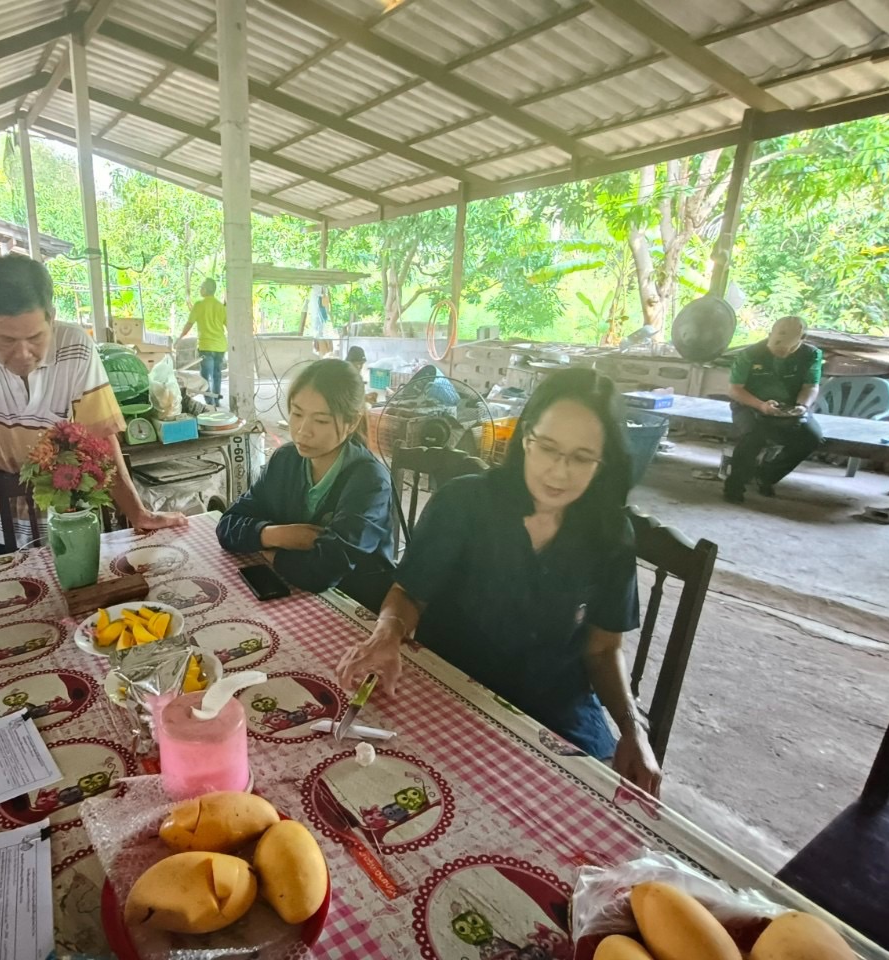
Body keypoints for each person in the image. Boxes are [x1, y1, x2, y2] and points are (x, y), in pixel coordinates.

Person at [337, 368, 662, 796]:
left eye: (582, 457)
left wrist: (631, 726)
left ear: (605, 463)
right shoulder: (464, 504)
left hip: (556, 713)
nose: (559, 472)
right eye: (547, 447)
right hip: (455, 693)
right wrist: (387, 633)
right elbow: (409, 593)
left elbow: (603, 648)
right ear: (526, 437)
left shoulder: (610, 533)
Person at [0, 254, 184, 576]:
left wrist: (137, 512)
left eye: (36, 337)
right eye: (7, 340)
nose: (23, 353)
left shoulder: (77, 347)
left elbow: (99, 437)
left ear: (51, 317)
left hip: (68, 511)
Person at [217, 359, 396, 612]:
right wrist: (277, 535)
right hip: (293, 595)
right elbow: (228, 524)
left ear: (352, 422)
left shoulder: (370, 482)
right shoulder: (286, 460)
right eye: (297, 413)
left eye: (321, 421)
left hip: (353, 607)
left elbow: (323, 572)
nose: (302, 431)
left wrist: (270, 553)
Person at [723, 315, 824, 504]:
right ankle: (735, 486)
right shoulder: (750, 354)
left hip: (791, 406)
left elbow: (810, 386)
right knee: (753, 436)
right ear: (770, 334)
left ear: (803, 339)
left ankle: (766, 475)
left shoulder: (812, 355)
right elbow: (735, 389)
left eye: (789, 350)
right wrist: (761, 405)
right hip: (749, 404)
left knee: (812, 437)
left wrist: (802, 406)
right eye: (777, 348)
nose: (782, 354)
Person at [178, 278, 227, 405]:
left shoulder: (199, 305)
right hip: (220, 346)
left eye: (201, 287)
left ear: (205, 289)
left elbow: (189, 324)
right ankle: (216, 401)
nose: (200, 289)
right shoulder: (220, 306)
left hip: (206, 346)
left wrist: (179, 338)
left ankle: (209, 401)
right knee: (217, 375)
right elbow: (228, 325)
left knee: (205, 377)